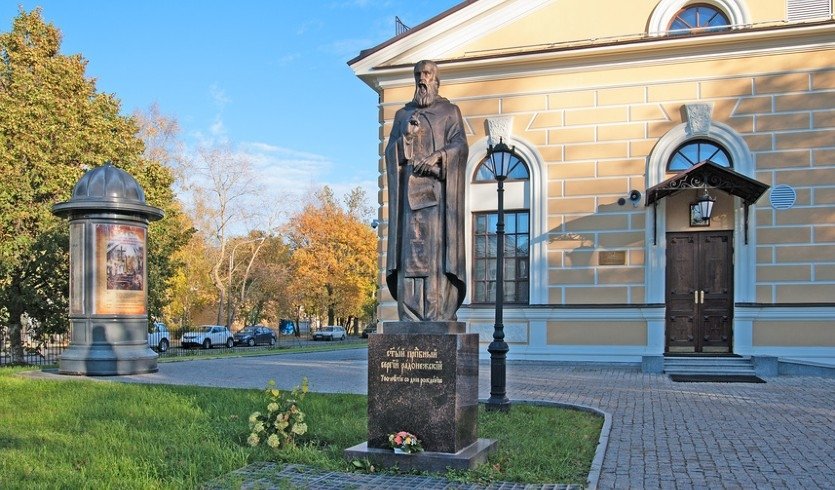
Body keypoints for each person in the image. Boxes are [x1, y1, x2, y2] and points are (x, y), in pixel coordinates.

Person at [384, 60, 468, 322]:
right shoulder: (402, 115)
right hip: (409, 203)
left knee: (434, 254)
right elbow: (389, 154)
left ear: (436, 80)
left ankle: (436, 313)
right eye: (418, 75)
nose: (422, 79)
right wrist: (406, 138)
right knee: (410, 254)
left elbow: (461, 146)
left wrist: (438, 157)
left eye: (427, 74)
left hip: (438, 202)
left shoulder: (449, 112)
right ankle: (409, 315)